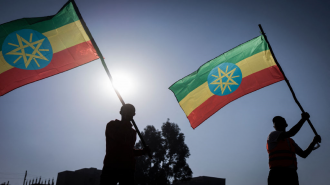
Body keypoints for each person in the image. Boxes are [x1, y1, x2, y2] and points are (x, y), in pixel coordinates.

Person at [100, 104, 150, 185]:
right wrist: (126, 123)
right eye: (127, 110)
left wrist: (143, 151)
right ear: (120, 112)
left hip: (127, 169)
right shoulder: (112, 125)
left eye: (131, 111)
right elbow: (120, 139)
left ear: (134, 114)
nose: (129, 113)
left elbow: (128, 150)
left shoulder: (133, 132)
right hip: (111, 166)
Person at [267, 112, 321, 185]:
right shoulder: (273, 135)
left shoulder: (290, 141)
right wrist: (303, 119)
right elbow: (291, 133)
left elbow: (303, 154)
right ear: (274, 127)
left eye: (280, 122)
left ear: (286, 124)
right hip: (277, 173)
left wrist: (314, 142)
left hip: (291, 174)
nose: (277, 124)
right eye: (275, 123)